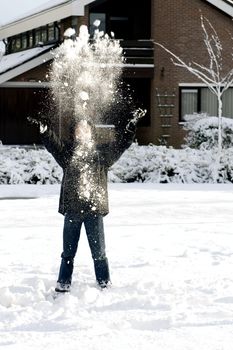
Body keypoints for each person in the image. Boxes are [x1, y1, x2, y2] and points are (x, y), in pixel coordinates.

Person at [40, 115, 137, 293]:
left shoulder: (102, 154)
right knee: (68, 251)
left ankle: (104, 282)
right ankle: (63, 282)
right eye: (78, 130)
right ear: (74, 134)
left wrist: (130, 128)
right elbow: (54, 145)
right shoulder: (67, 153)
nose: (82, 132)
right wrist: (45, 131)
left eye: (85, 129)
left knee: (99, 252)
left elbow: (121, 144)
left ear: (91, 132)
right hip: (73, 210)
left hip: (95, 210)